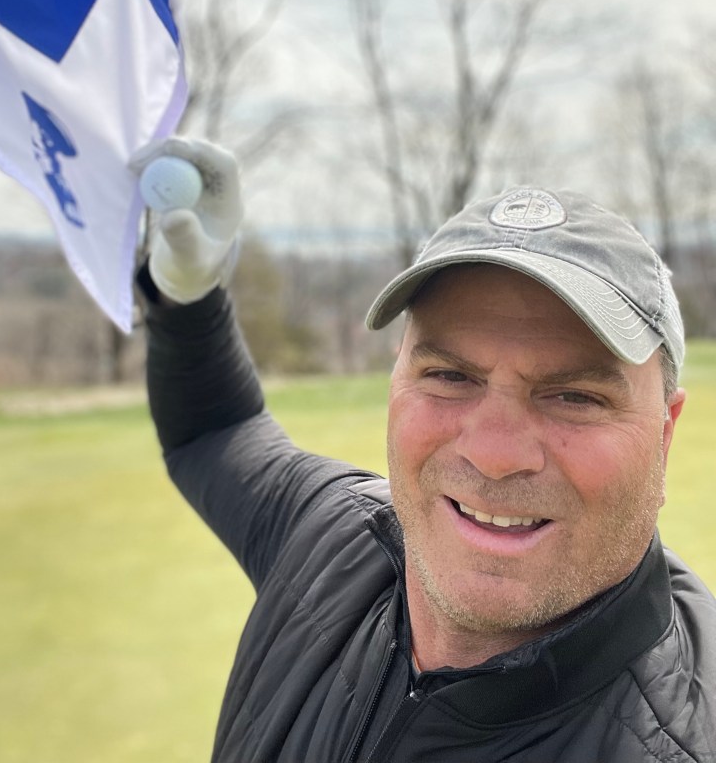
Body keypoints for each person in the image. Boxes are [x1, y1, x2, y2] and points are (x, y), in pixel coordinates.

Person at [131, 138, 716, 763]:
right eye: (450, 376)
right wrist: (187, 298)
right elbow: (215, 431)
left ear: (663, 433)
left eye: (574, 396)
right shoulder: (333, 538)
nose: (493, 455)